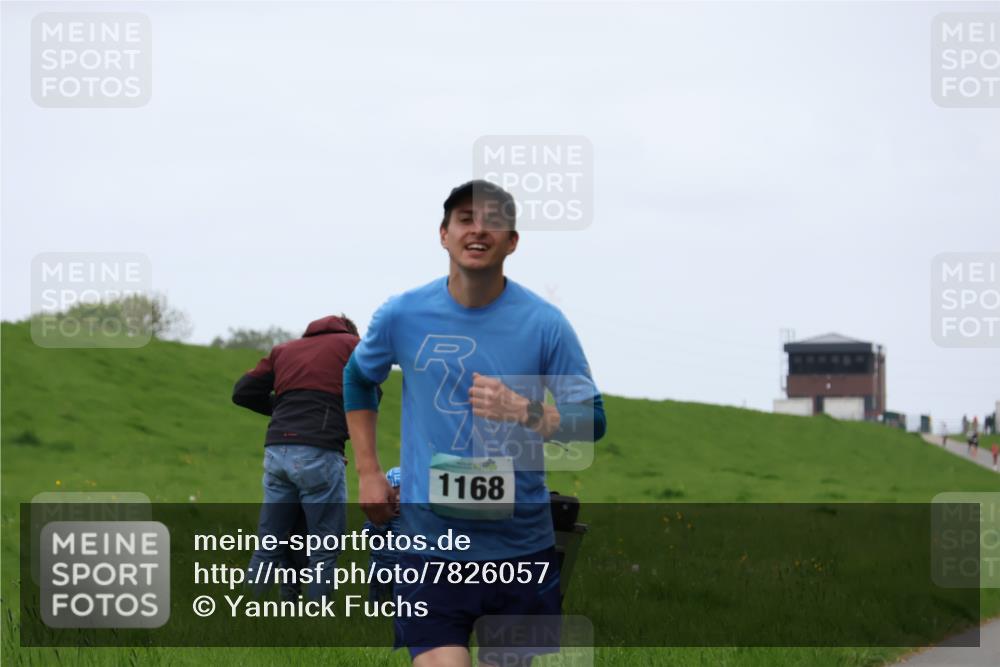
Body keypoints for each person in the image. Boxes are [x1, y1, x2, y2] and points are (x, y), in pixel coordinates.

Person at [343, 180, 607, 666]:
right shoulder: (403, 314)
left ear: (513, 241)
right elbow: (358, 379)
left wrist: (525, 411)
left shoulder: (546, 324)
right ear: (443, 234)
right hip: (429, 547)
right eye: (465, 219)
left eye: (493, 221)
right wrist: (367, 471)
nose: (477, 230)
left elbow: (592, 421)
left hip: (520, 550)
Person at [232, 314, 364, 601]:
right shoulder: (351, 346)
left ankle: (244, 616)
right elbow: (368, 398)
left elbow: (243, 392)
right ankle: (316, 622)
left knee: (268, 544)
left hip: (277, 451)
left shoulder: (284, 350)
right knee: (325, 547)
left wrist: (284, 412)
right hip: (319, 452)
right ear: (350, 332)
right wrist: (331, 436)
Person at [365, 466, 402, 603]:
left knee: (400, 598)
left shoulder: (412, 518)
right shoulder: (379, 514)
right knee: (378, 599)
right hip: (380, 567)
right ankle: (376, 615)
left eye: (402, 494)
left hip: (404, 569)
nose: (398, 498)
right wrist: (381, 521)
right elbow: (368, 533)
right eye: (394, 493)